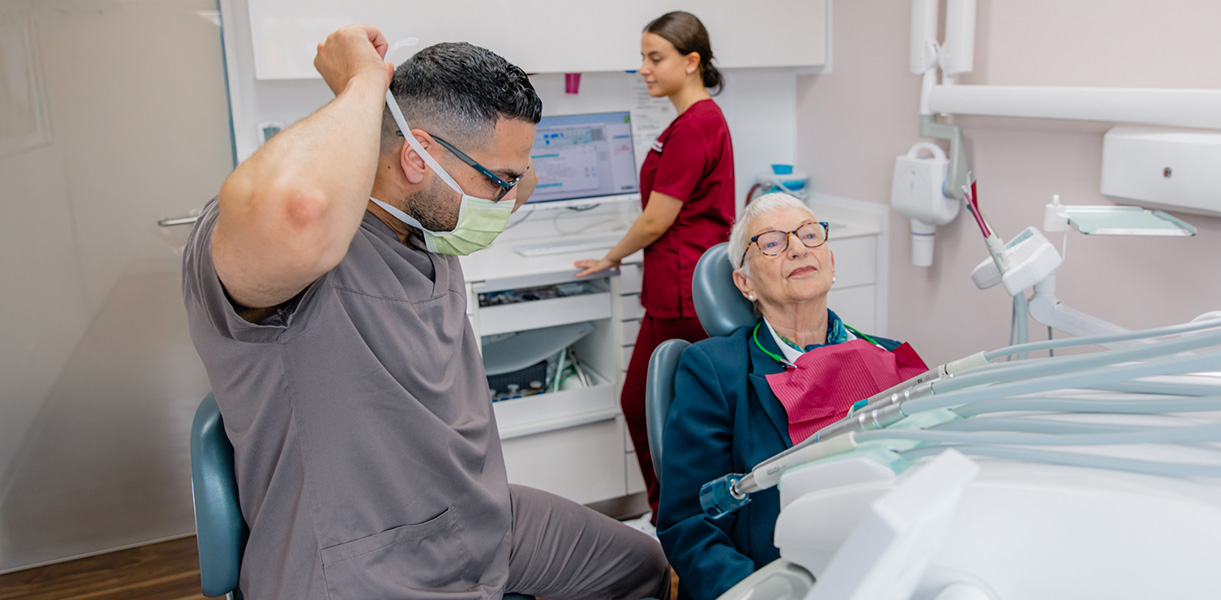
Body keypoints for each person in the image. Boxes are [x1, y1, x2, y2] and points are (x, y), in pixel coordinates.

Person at [183, 24, 670, 600]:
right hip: (364, 562)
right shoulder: (291, 253)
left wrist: (498, 145)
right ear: (416, 158)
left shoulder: (430, 227)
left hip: (476, 517)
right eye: (499, 182)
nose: (511, 198)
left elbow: (519, 178)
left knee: (642, 567)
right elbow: (300, 208)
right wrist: (360, 85)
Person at [656, 193, 928, 600]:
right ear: (744, 283)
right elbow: (690, 524)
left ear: (830, 261)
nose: (798, 248)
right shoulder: (714, 369)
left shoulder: (890, 359)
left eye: (810, 235)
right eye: (772, 243)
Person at [574, 10, 735, 524]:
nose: (644, 68)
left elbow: (656, 219)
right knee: (662, 403)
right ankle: (681, 513)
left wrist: (610, 256)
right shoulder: (694, 121)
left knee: (658, 406)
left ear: (691, 62)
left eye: (655, 57)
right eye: (643, 57)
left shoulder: (695, 125)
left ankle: (676, 517)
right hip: (681, 283)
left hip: (685, 287)